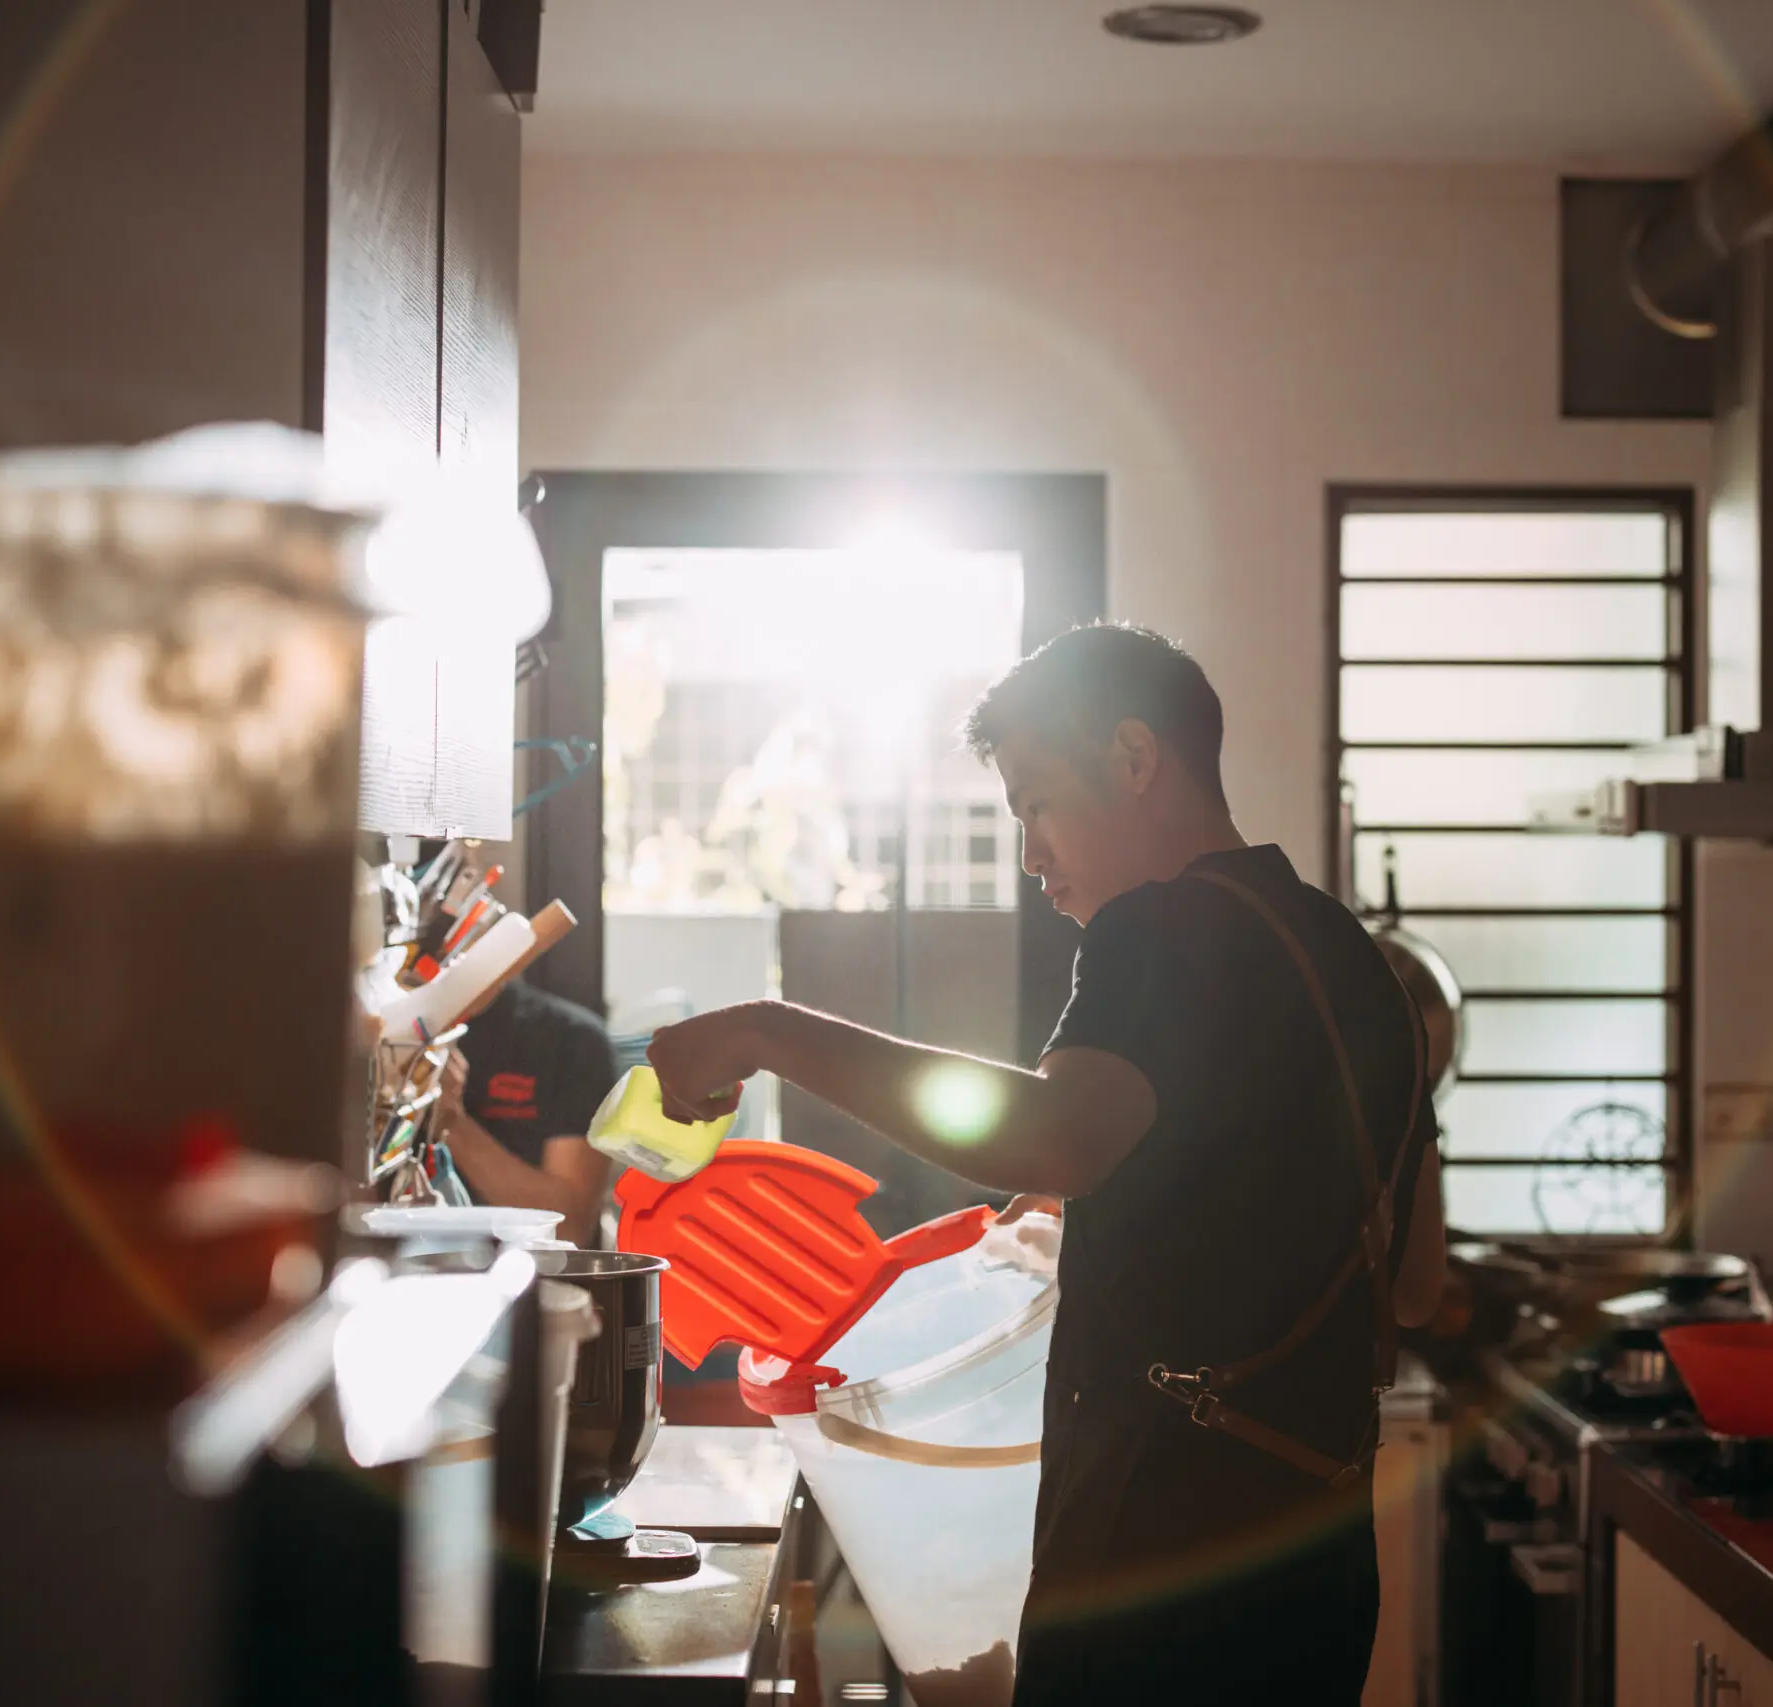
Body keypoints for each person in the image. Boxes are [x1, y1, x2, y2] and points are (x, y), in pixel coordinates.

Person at [647, 622, 1447, 1703]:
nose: (1030, 854)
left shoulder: (1161, 927)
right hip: (1317, 1572)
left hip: (1153, 1571)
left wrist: (769, 1031)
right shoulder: (1359, 962)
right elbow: (1412, 1280)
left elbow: (1050, 1137)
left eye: (1037, 804)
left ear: (1134, 757)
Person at [432, 978, 619, 1245]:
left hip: (524, 1264)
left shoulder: (572, 1039)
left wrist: (450, 1122)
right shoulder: (378, 1036)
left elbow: (568, 1228)